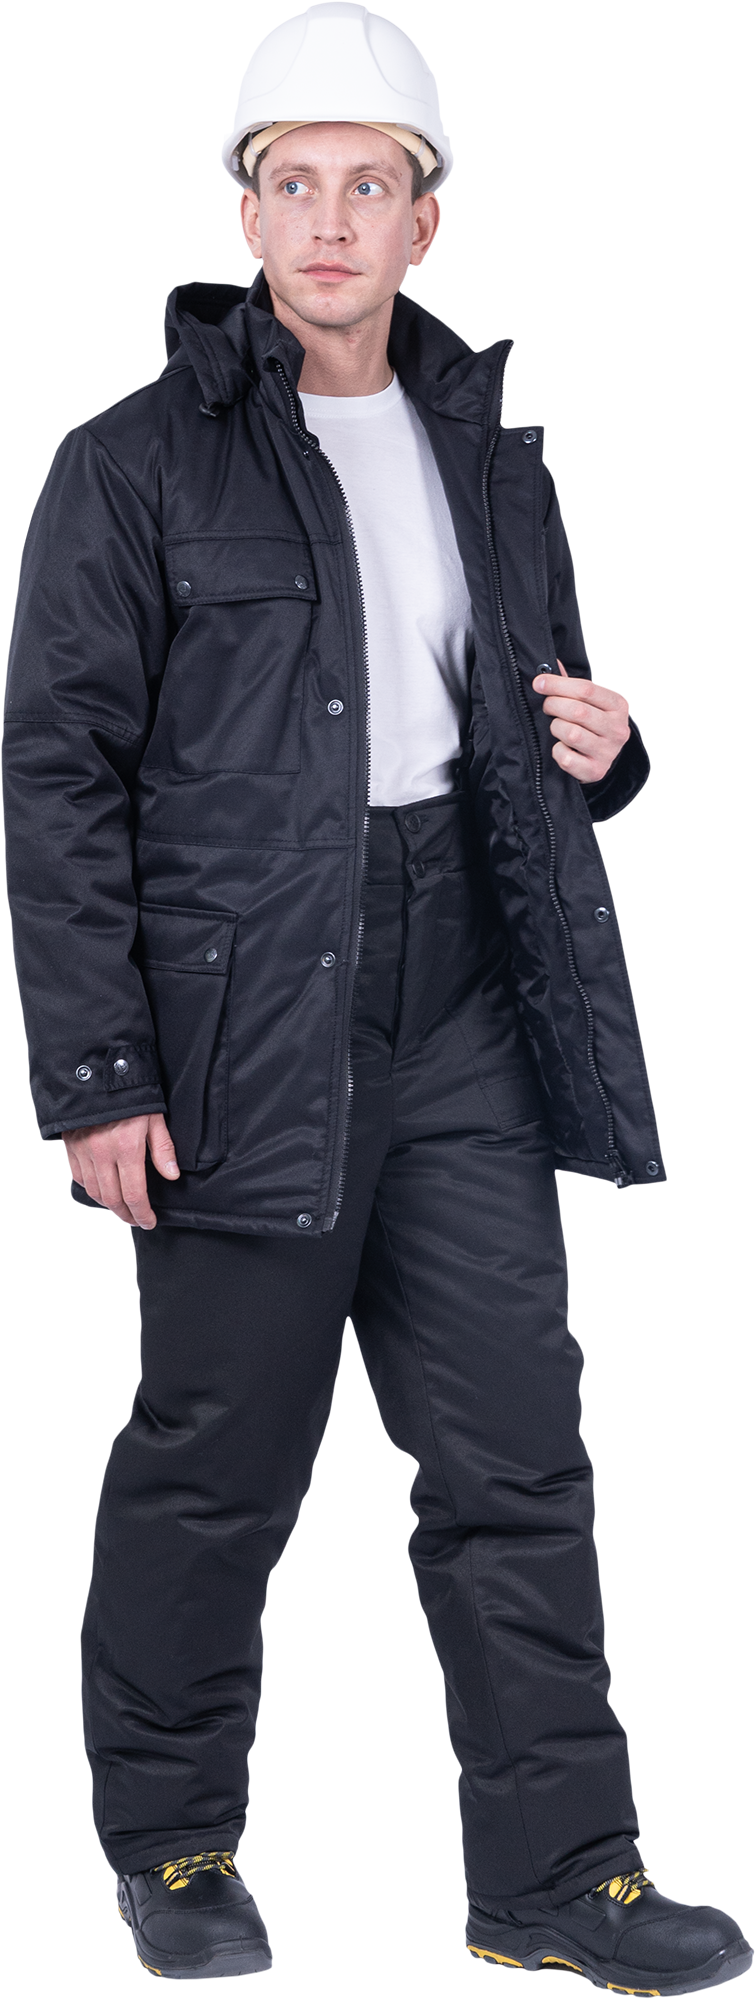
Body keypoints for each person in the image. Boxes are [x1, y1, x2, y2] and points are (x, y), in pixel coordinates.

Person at [3, 3, 751, 1991]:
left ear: (427, 222)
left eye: (371, 183)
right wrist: (98, 1067)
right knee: (218, 1453)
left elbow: (528, 721)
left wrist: (614, 751)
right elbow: (54, 771)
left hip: (465, 1005)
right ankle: (172, 1843)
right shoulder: (131, 465)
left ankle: (561, 1873)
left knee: (516, 1452)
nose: (329, 217)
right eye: (294, 181)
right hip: (246, 1012)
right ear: (247, 213)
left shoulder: (484, 454)